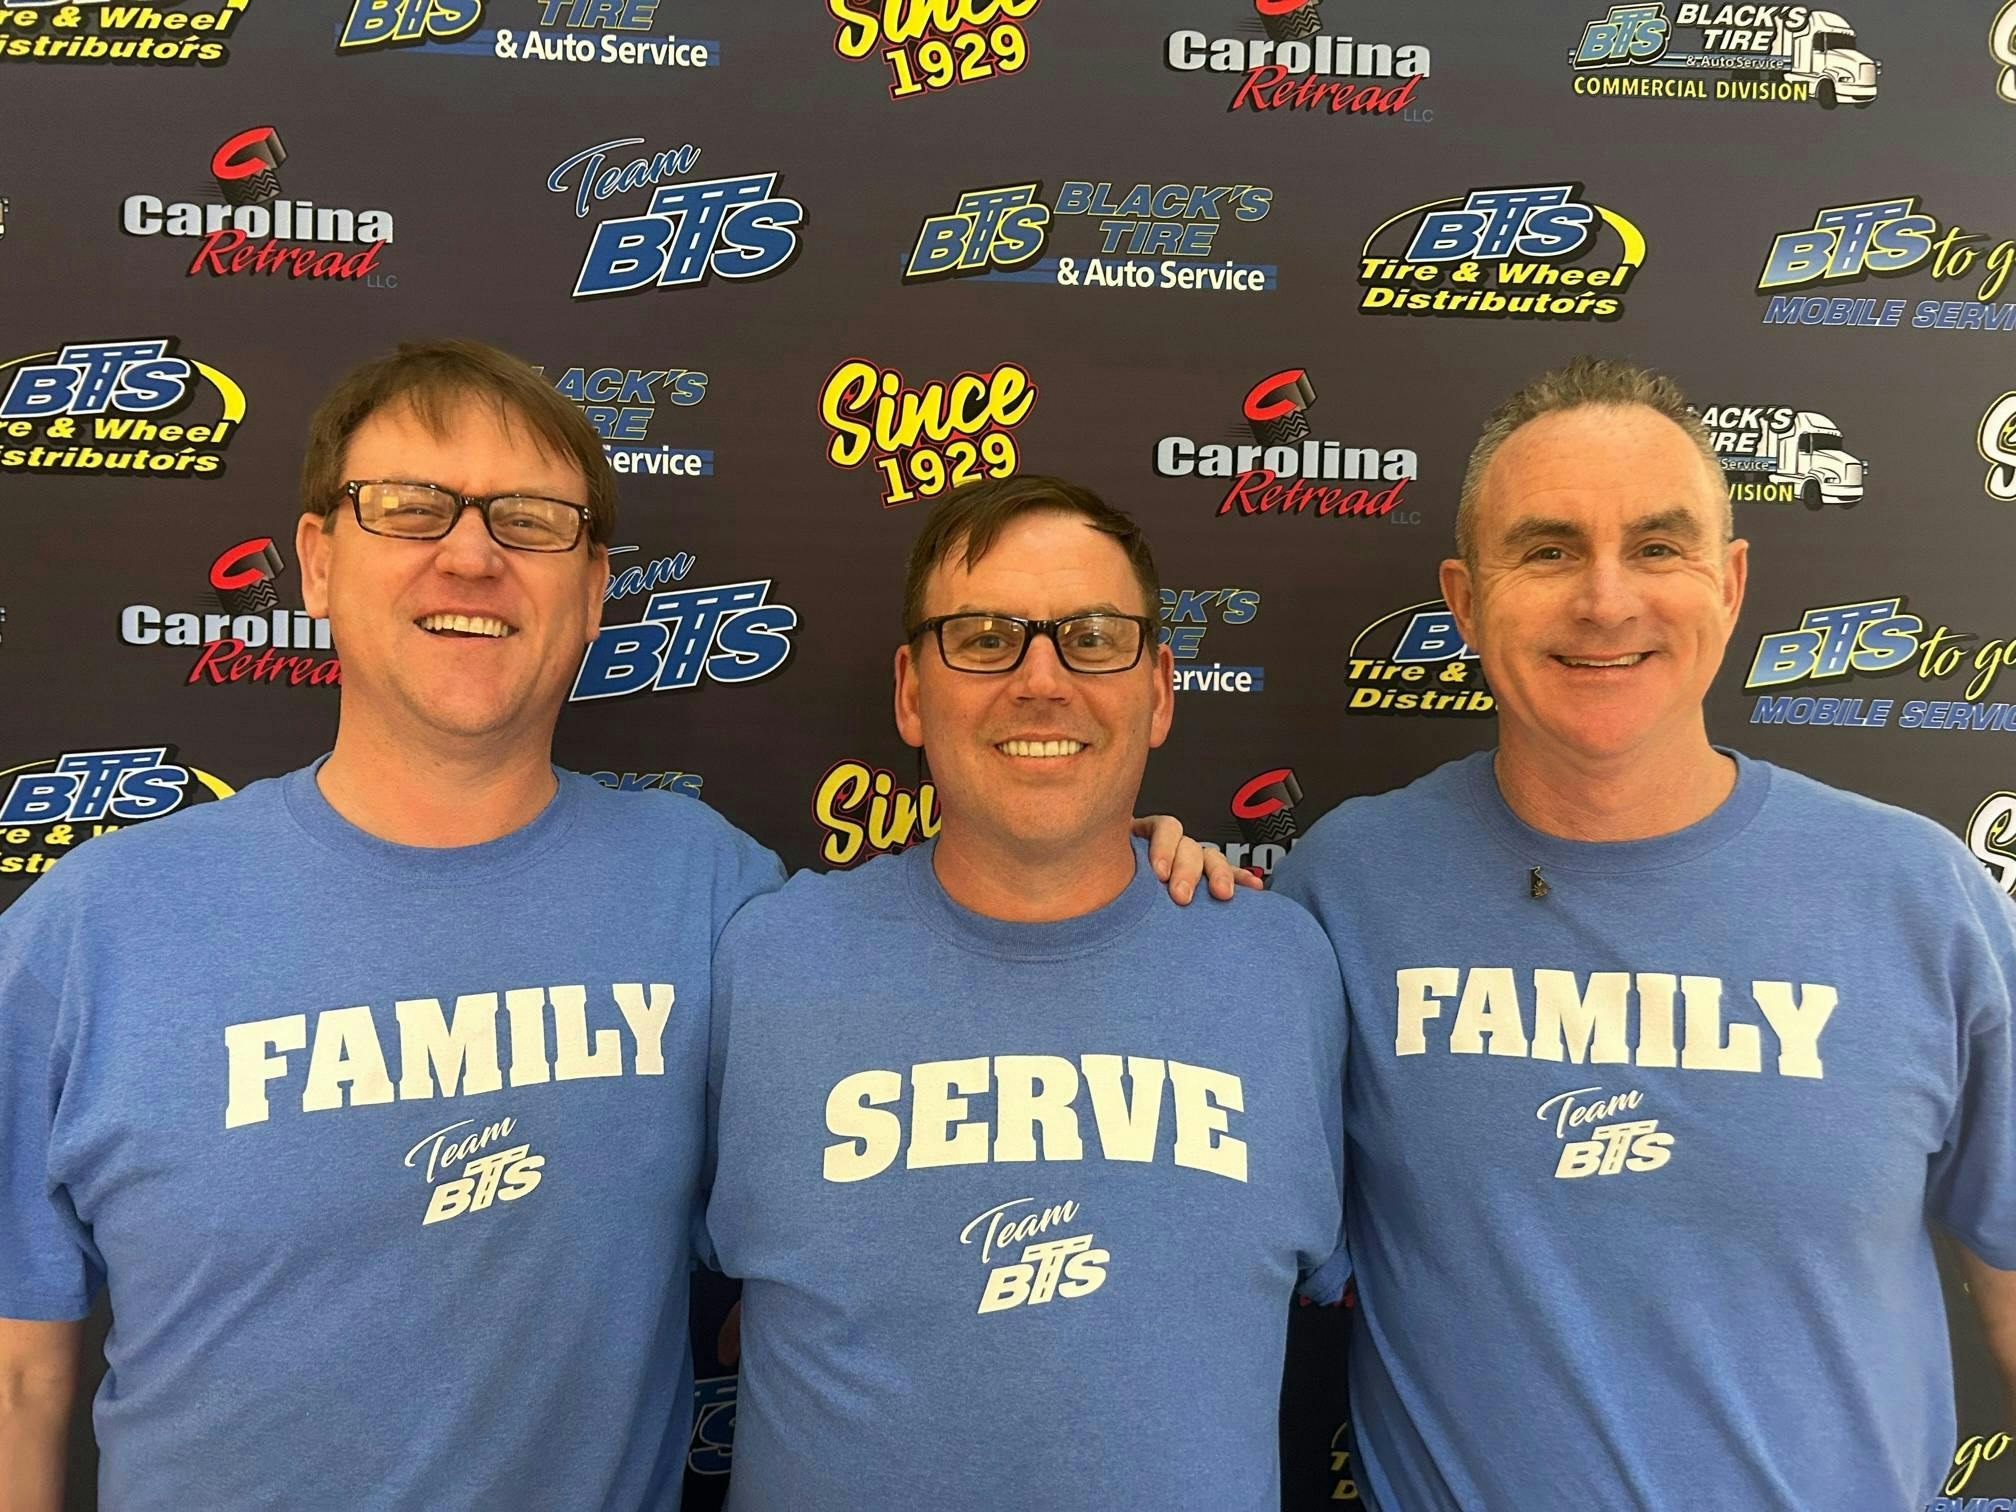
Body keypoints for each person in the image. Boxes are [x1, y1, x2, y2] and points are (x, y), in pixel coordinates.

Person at [0, 342, 1234, 1511]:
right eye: (412, 508)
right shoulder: (91, 933)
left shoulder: (721, 903)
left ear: (593, 590)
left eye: (530, 521)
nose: (471, 557)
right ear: (317, 561)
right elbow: (18, 1376)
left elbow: (977, 981)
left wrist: (1108, 856)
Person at [1272, 355, 2016, 1509]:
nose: (1607, 601)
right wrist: (1139, 892)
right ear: (1465, 601)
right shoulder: (1345, 890)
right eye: (1549, 550)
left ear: (1731, 582)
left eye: (1659, 547)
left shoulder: (1923, 898)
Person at [703, 476, 1349, 1511]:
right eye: (984, 637)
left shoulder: (1288, 971)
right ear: (911, 692)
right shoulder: (761, 961)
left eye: (1092, 637)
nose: (1041, 680)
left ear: (1160, 690)